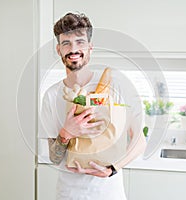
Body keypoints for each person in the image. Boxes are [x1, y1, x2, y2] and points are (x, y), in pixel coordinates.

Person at [40, 12, 146, 200]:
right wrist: (67, 132)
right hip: (68, 194)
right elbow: (54, 157)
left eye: (80, 42)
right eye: (66, 43)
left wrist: (113, 169)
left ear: (90, 47)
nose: (73, 49)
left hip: (109, 193)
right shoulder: (51, 96)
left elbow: (139, 141)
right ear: (59, 50)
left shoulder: (115, 84)